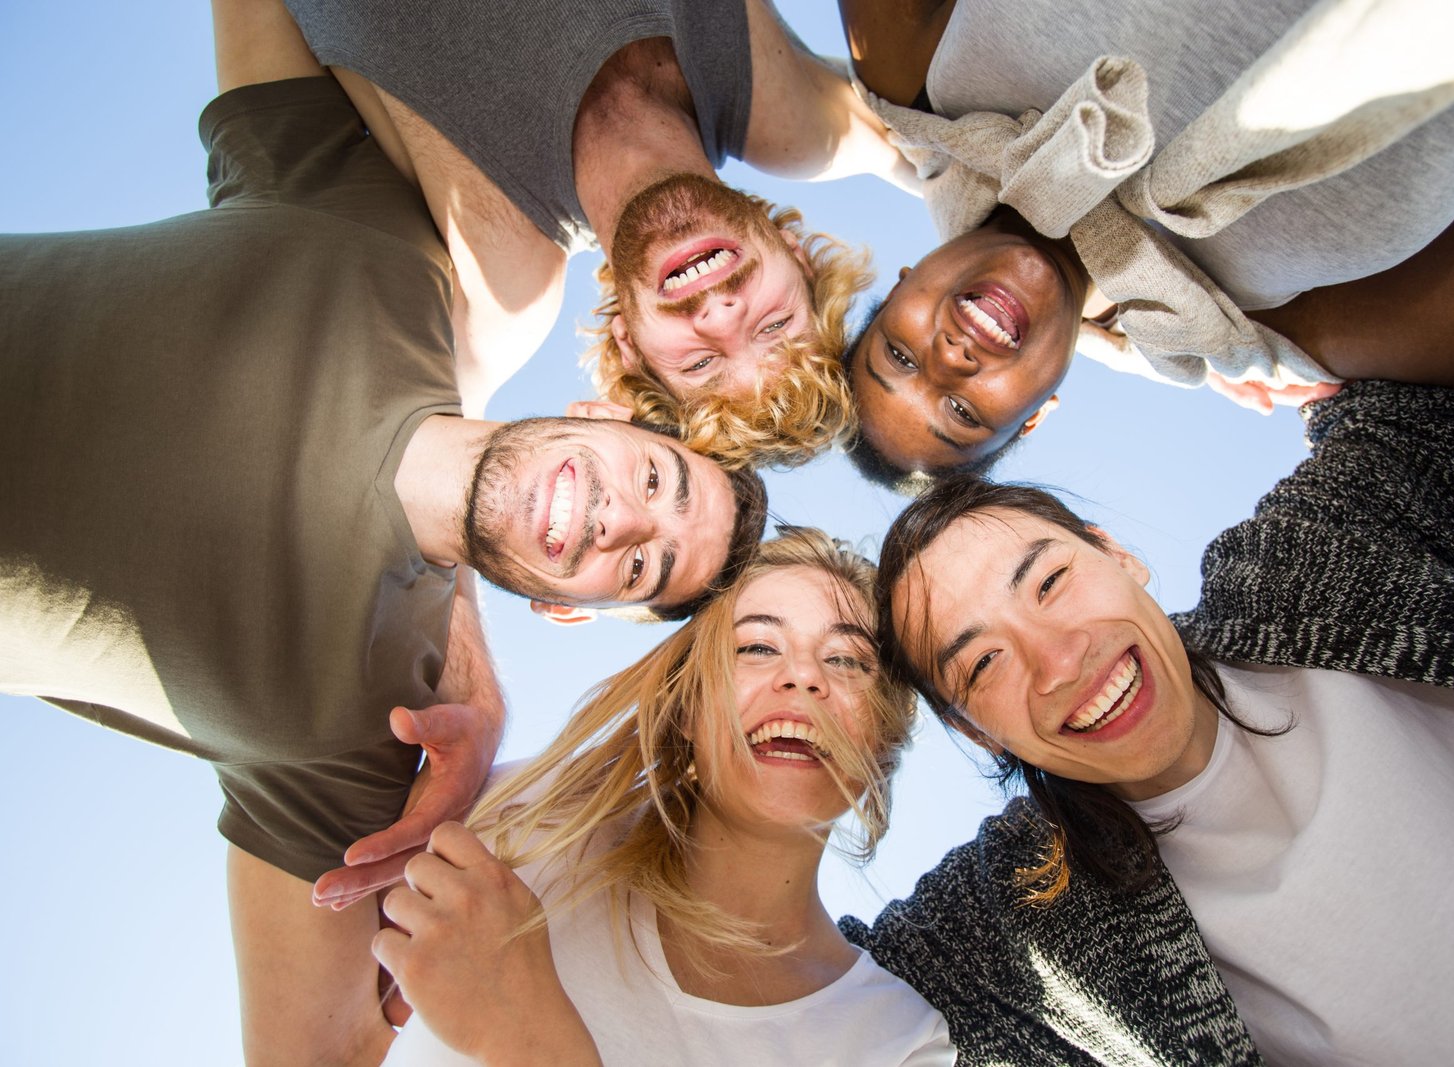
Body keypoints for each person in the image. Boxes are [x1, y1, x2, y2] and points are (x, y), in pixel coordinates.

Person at [0, 4, 767, 1061]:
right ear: (601, 413)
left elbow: (312, 1052)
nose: (617, 515)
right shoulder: (385, 254)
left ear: (565, 605)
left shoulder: (357, 735)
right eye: (653, 476)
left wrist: (517, 1017)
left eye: (641, 561)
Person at [844, 365, 1454, 1062]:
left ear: (1118, 555)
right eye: (982, 664)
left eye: (1049, 582)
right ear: (974, 730)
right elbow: (799, 1006)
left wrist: (1193, 326)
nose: (1060, 659)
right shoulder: (1012, 918)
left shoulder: (1307, 567)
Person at [835, 0, 1454, 483]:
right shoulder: (1258, 325)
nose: (950, 363)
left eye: (899, 355)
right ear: (1036, 414)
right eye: (964, 412)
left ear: (902, 280)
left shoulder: (918, 86)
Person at [367, 528, 954, 1065]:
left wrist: (529, 1039)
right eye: (755, 647)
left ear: (886, 739)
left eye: (847, 661)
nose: (802, 676)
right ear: (688, 710)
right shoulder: (526, 817)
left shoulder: (897, 1042)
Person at [282, 0, 917, 467]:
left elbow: (411, 453)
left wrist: (583, 473)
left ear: (630, 347)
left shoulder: (499, 273)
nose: (722, 315)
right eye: (774, 326)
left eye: (700, 363)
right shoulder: (796, 118)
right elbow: (961, 159)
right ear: (801, 261)